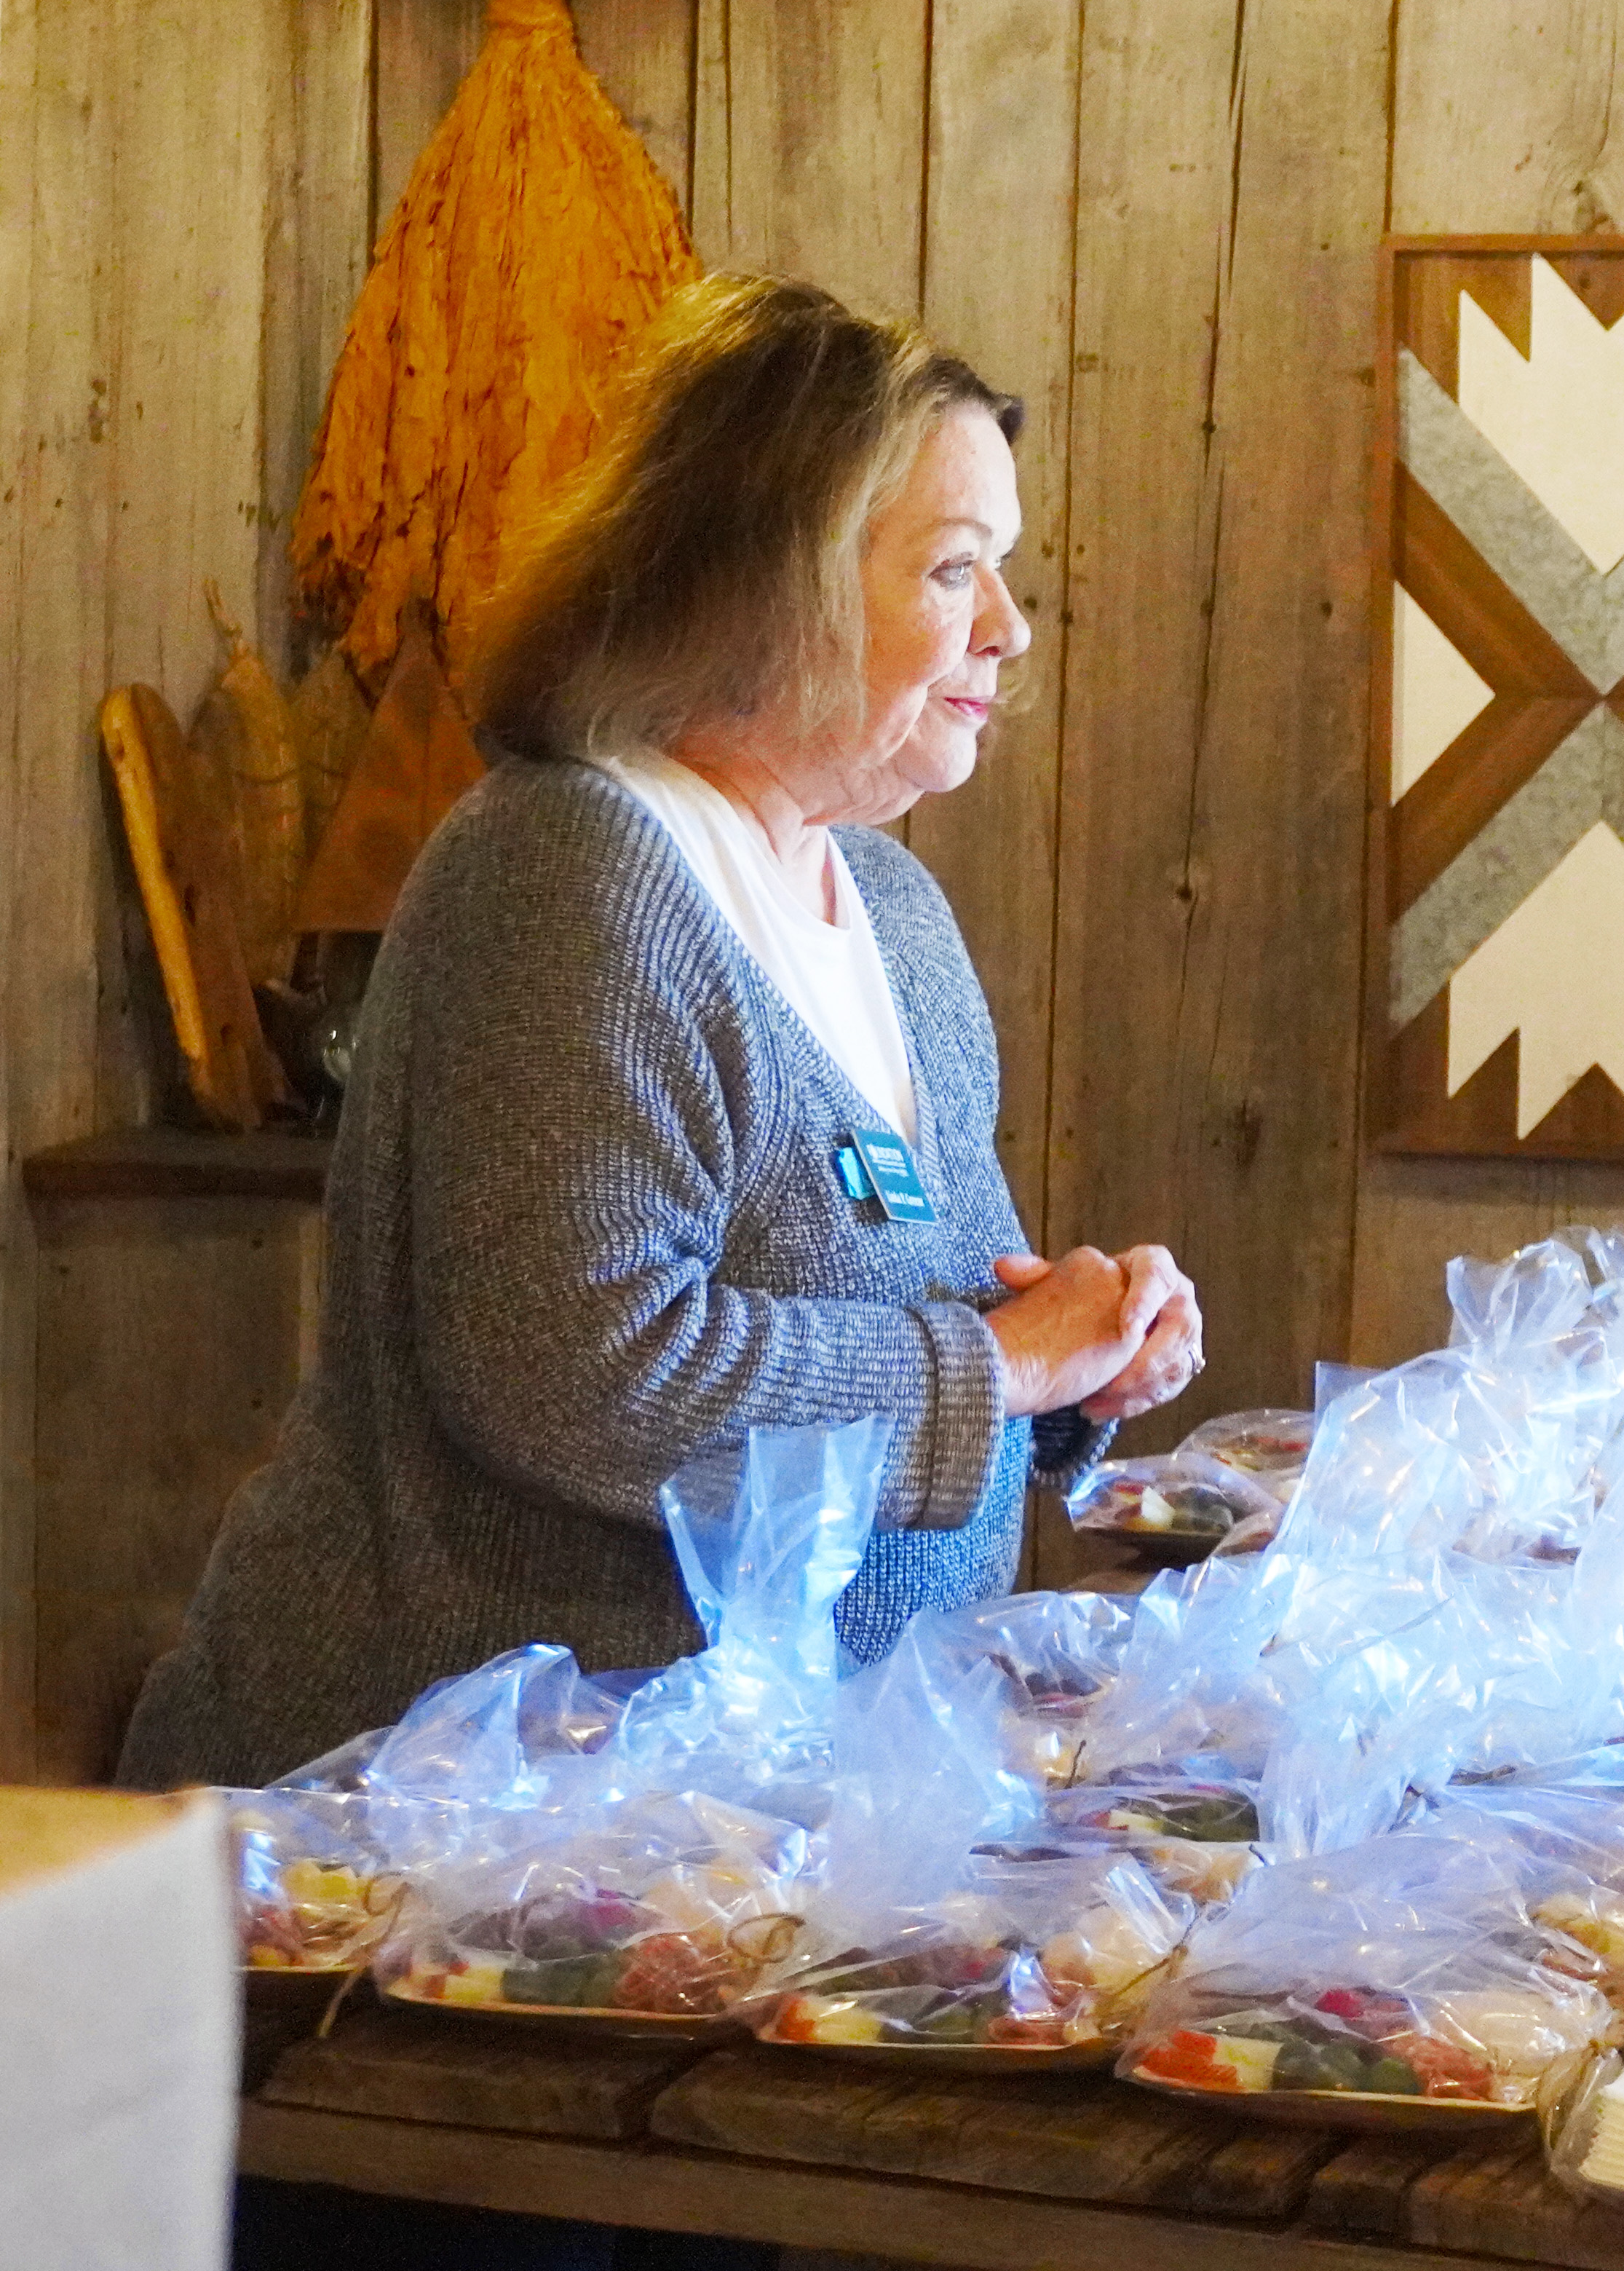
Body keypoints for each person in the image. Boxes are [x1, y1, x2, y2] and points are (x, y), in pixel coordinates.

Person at [122, 275, 1202, 1796]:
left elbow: (944, 1320)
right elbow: (578, 1369)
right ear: (774, 586)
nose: (1010, 632)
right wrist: (999, 1367)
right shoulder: (570, 864)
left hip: (728, 1829)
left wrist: (1079, 1359)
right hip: (445, 1836)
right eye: (955, 573)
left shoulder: (888, 905)